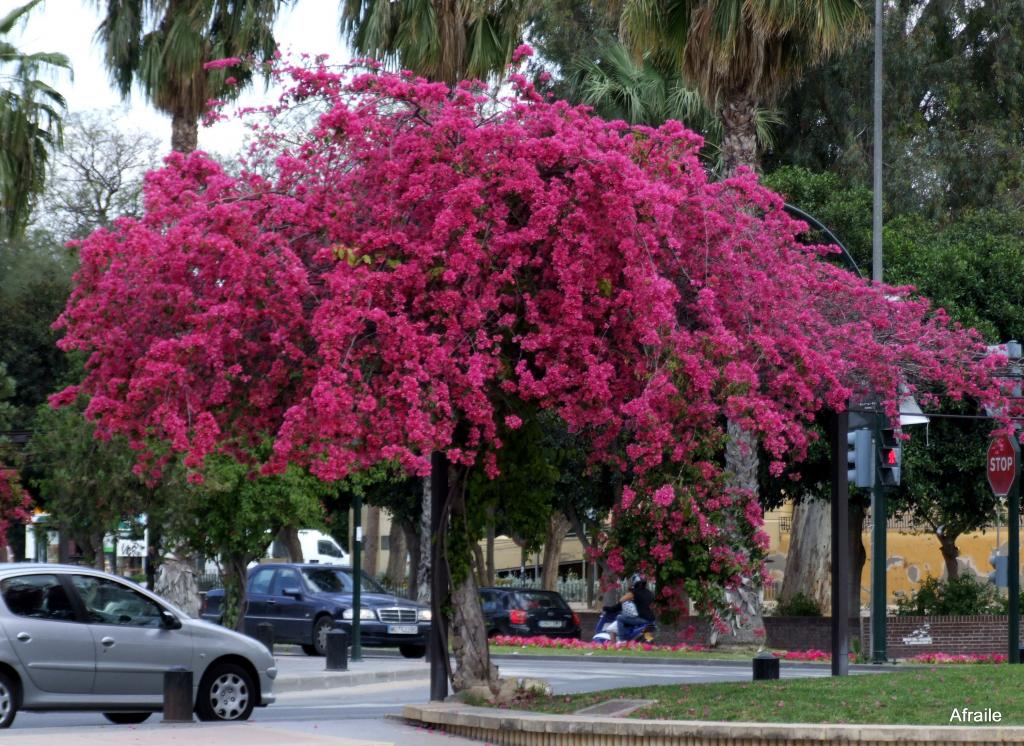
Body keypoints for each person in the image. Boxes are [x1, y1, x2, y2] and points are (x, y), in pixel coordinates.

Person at [607, 573, 654, 644]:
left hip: (641, 619)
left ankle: (622, 640)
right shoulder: (649, 593)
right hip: (651, 619)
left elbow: (621, 600)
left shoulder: (634, 592)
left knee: (620, 617)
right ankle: (648, 641)